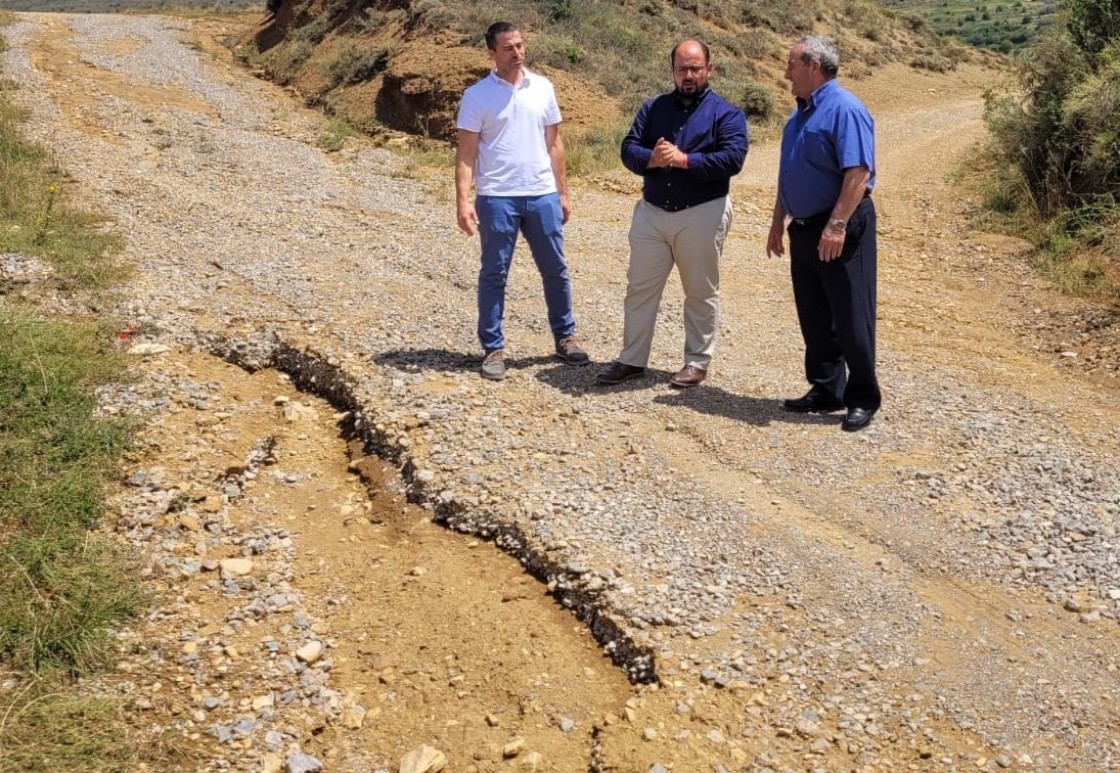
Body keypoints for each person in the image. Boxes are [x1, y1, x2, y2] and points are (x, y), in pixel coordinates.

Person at [596, 39, 748, 389]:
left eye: (695, 68)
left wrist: (684, 160)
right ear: (673, 72)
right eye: (682, 69)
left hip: (702, 213)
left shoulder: (727, 114)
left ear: (709, 69)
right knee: (639, 288)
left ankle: (696, 362)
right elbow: (628, 146)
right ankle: (632, 359)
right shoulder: (653, 108)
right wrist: (651, 158)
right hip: (651, 213)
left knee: (699, 291)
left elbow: (732, 159)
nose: (689, 75)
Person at [455, 21, 589, 381]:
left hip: (541, 193)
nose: (517, 52)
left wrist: (562, 192)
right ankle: (493, 348)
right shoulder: (477, 96)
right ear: (492, 53)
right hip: (497, 198)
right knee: (494, 273)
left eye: (520, 45)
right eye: (508, 48)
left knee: (556, 269)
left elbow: (555, 144)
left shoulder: (543, 88)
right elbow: (466, 154)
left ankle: (565, 339)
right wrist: (463, 201)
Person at [765, 35, 882, 431]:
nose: (786, 73)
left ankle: (862, 396)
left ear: (813, 66)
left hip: (841, 228)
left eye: (791, 64)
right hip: (803, 229)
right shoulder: (798, 116)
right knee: (814, 314)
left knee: (851, 313)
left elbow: (859, 172)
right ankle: (827, 389)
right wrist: (777, 221)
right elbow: (788, 174)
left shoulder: (844, 109)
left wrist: (837, 224)